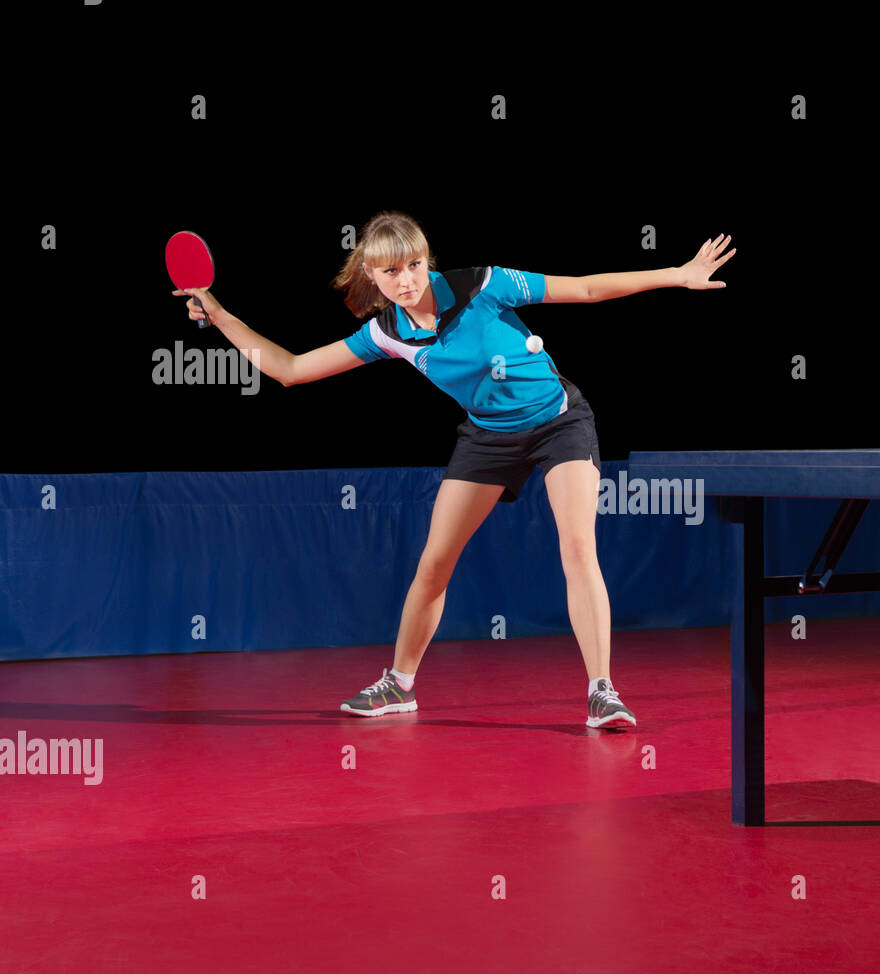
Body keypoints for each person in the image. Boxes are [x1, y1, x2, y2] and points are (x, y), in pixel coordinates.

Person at [172, 210, 736, 727]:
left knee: (576, 547)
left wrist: (677, 273)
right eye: (392, 271)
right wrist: (220, 316)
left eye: (415, 264)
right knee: (435, 562)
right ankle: (400, 685)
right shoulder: (387, 334)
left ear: (427, 260)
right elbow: (290, 369)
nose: (407, 279)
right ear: (372, 274)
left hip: (559, 423)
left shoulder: (483, 285)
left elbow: (586, 289)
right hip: (488, 438)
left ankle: (602, 690)